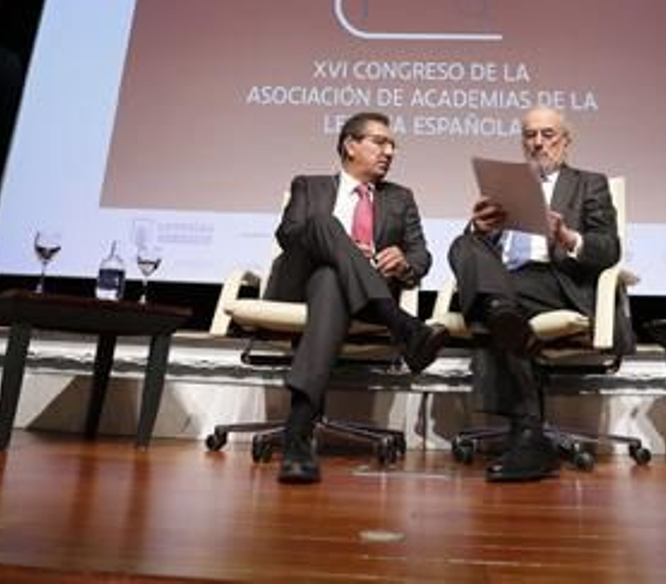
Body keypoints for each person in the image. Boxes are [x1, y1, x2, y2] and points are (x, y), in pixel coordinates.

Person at [446, 106, 630, 482]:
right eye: (530, 135)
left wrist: (566, 237)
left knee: (493, 304)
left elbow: (609, 249)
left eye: (548, 134)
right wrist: (480, 229)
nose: (538, 142)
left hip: (556, 281)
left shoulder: (588, 183)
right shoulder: (504, 187)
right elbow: (477, 250)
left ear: (566, 142)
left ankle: (526, 430)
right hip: (508, 283)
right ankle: (529, 437)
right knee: (463, 245)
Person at [267, 111, 448, 484]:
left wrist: (402, 262)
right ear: (350, 145)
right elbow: (289, 236)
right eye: (379, 142)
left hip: (342, 292)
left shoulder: (400, 198)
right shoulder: (309, 185)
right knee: (323, 224)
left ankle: (297, 436)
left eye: (392, 145)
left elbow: (422, 257)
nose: (389, 151)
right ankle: (401, 325)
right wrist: (342, 247)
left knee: (331, 281)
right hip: (297, 283)